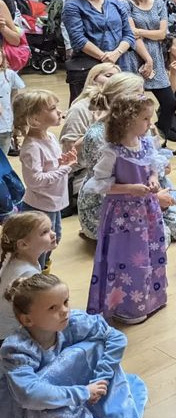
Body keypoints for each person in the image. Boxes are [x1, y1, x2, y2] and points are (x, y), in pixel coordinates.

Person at [0, 273, 148, 418]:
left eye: (65, 302)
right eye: (52, 308)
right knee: (49, 403)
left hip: (79, 389)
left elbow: (115, 337)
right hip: (40, 408)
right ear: (27, 320)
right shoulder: (17, 349)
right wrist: (83, 392)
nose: (64, 311)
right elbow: (29, 394)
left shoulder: (73, 322)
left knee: (98, 346)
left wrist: (101, 378)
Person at [84, 94, 167, 325]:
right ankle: (128, 306)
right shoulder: (113, 151)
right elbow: (98, 183)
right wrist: (129, 188)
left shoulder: (147, 141)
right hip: (123, 217)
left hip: (147, 211)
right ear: (128, 120)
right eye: (145, 118)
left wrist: (153, 178)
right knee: (129, 259)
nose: (150, 123)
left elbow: (153, 166)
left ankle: (151, 298)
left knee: (150, 251)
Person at [77, 73, 176, 247]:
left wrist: (157, 178)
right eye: (139, 94)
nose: (144, 98)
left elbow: (151, 161)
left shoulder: (141, 124)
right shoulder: (98, 136)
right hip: (115, 200)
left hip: (145, 190)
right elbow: (103, 185)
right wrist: (155, 199)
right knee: (160, 238)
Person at [13, 91, 77, 268]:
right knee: (40, 247)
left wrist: (61, 162)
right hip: (39, 207)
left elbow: (49, 166)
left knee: (54, 240)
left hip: (52, 203)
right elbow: (35, 180)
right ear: (34, 120)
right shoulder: (31, 147)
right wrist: (65, 168)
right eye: (53, 108)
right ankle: (35, 279)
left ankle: (42, 272)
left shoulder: (50, 137)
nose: (59, 111)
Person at [62, 0, 136, 103]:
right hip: (90, 67)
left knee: (121, 110)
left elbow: (129, 34)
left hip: (119, 63)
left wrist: (116, 53)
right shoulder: (73, 5)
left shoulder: (116, 4)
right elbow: (78, 39)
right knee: (91, 111)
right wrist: (104, 57)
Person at [119, 0, 176, 140]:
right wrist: (147, 59)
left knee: (169, 103)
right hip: (135, 58)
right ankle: (134, 140)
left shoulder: (159, 4)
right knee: (134, 105)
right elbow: (131, 34)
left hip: (156, 58)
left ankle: (160, 138)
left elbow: (162, 34)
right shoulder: (126, 4)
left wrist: (140, 31)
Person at [0, 212, 55, 340]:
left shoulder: (13, 259)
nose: (53, 234)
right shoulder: (27, 273)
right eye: (45, 232)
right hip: (9, 335)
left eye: (50, 229)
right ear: (23, 244)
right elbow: (36, 311)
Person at [0, 46, 24, 154]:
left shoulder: (9, 74)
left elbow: (15, 99)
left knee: (3, 160)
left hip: (5, 124)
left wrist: (17, 122)